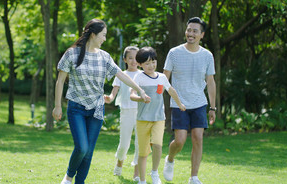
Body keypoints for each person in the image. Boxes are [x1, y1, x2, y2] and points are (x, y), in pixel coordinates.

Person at [52, 19, 151, 184]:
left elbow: (121, 75)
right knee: (82, 147)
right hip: (76, 107)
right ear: (93, 34)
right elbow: (60, 81)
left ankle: (79, 182)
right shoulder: (72, 53)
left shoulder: (104, 57)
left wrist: (140, 89)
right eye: (103, 35)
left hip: (96, 109)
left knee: (89, 151)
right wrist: (57, 106)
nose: (105, 39)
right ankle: (69, 177)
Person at [162, 17, 216, 184]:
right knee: (179, 141)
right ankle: (170, 159)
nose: (190, 34)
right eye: (189, 30)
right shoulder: (174, 53)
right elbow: (164, 79)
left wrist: (212, 108)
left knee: (198, 138)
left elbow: (210, 81)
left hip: (199, 102)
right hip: (179, 103)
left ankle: (194, 177)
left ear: (202, 35)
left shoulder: (207, 55)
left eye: (195, 31)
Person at [130, 47, 186, 184]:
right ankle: (142, 180)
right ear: (140, 64)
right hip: (142, 120)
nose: (151, 65)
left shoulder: (161, 77)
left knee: (157, 145)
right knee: (143, 153)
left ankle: (154, 172)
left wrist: (180, 104)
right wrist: (141, 98)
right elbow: (132, 95)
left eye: (153, 62)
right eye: (147, 63)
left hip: (158, 118)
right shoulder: (139, 77)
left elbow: (171, 90)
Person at [104, 46, 141, 181]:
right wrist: (109, 98)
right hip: (126, 111)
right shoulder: (121, 74)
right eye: (130, 58)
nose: (133, 61)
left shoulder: (143, 74)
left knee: (139, 143)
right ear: (125, 59)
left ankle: (137, 172)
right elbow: (114, 92)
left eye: (136, 58)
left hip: (141, 113)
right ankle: (119, 162)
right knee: (124, 143)